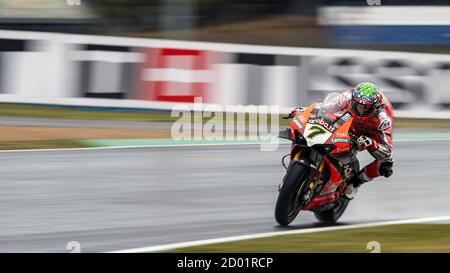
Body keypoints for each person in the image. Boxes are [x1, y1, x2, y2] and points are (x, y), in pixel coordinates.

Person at [291, 82, 394, 199]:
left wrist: (372, 143)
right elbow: (324, 108)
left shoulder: (383, 120)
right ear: (352, 101)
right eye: (358, 106)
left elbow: (387, 152)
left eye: (366, 109)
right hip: (348, 122)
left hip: (370, 130)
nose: (360, 110)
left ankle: (356, 183)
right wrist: (304, 111)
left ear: (375, 109)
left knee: (386, 165)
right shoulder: (346, 98)